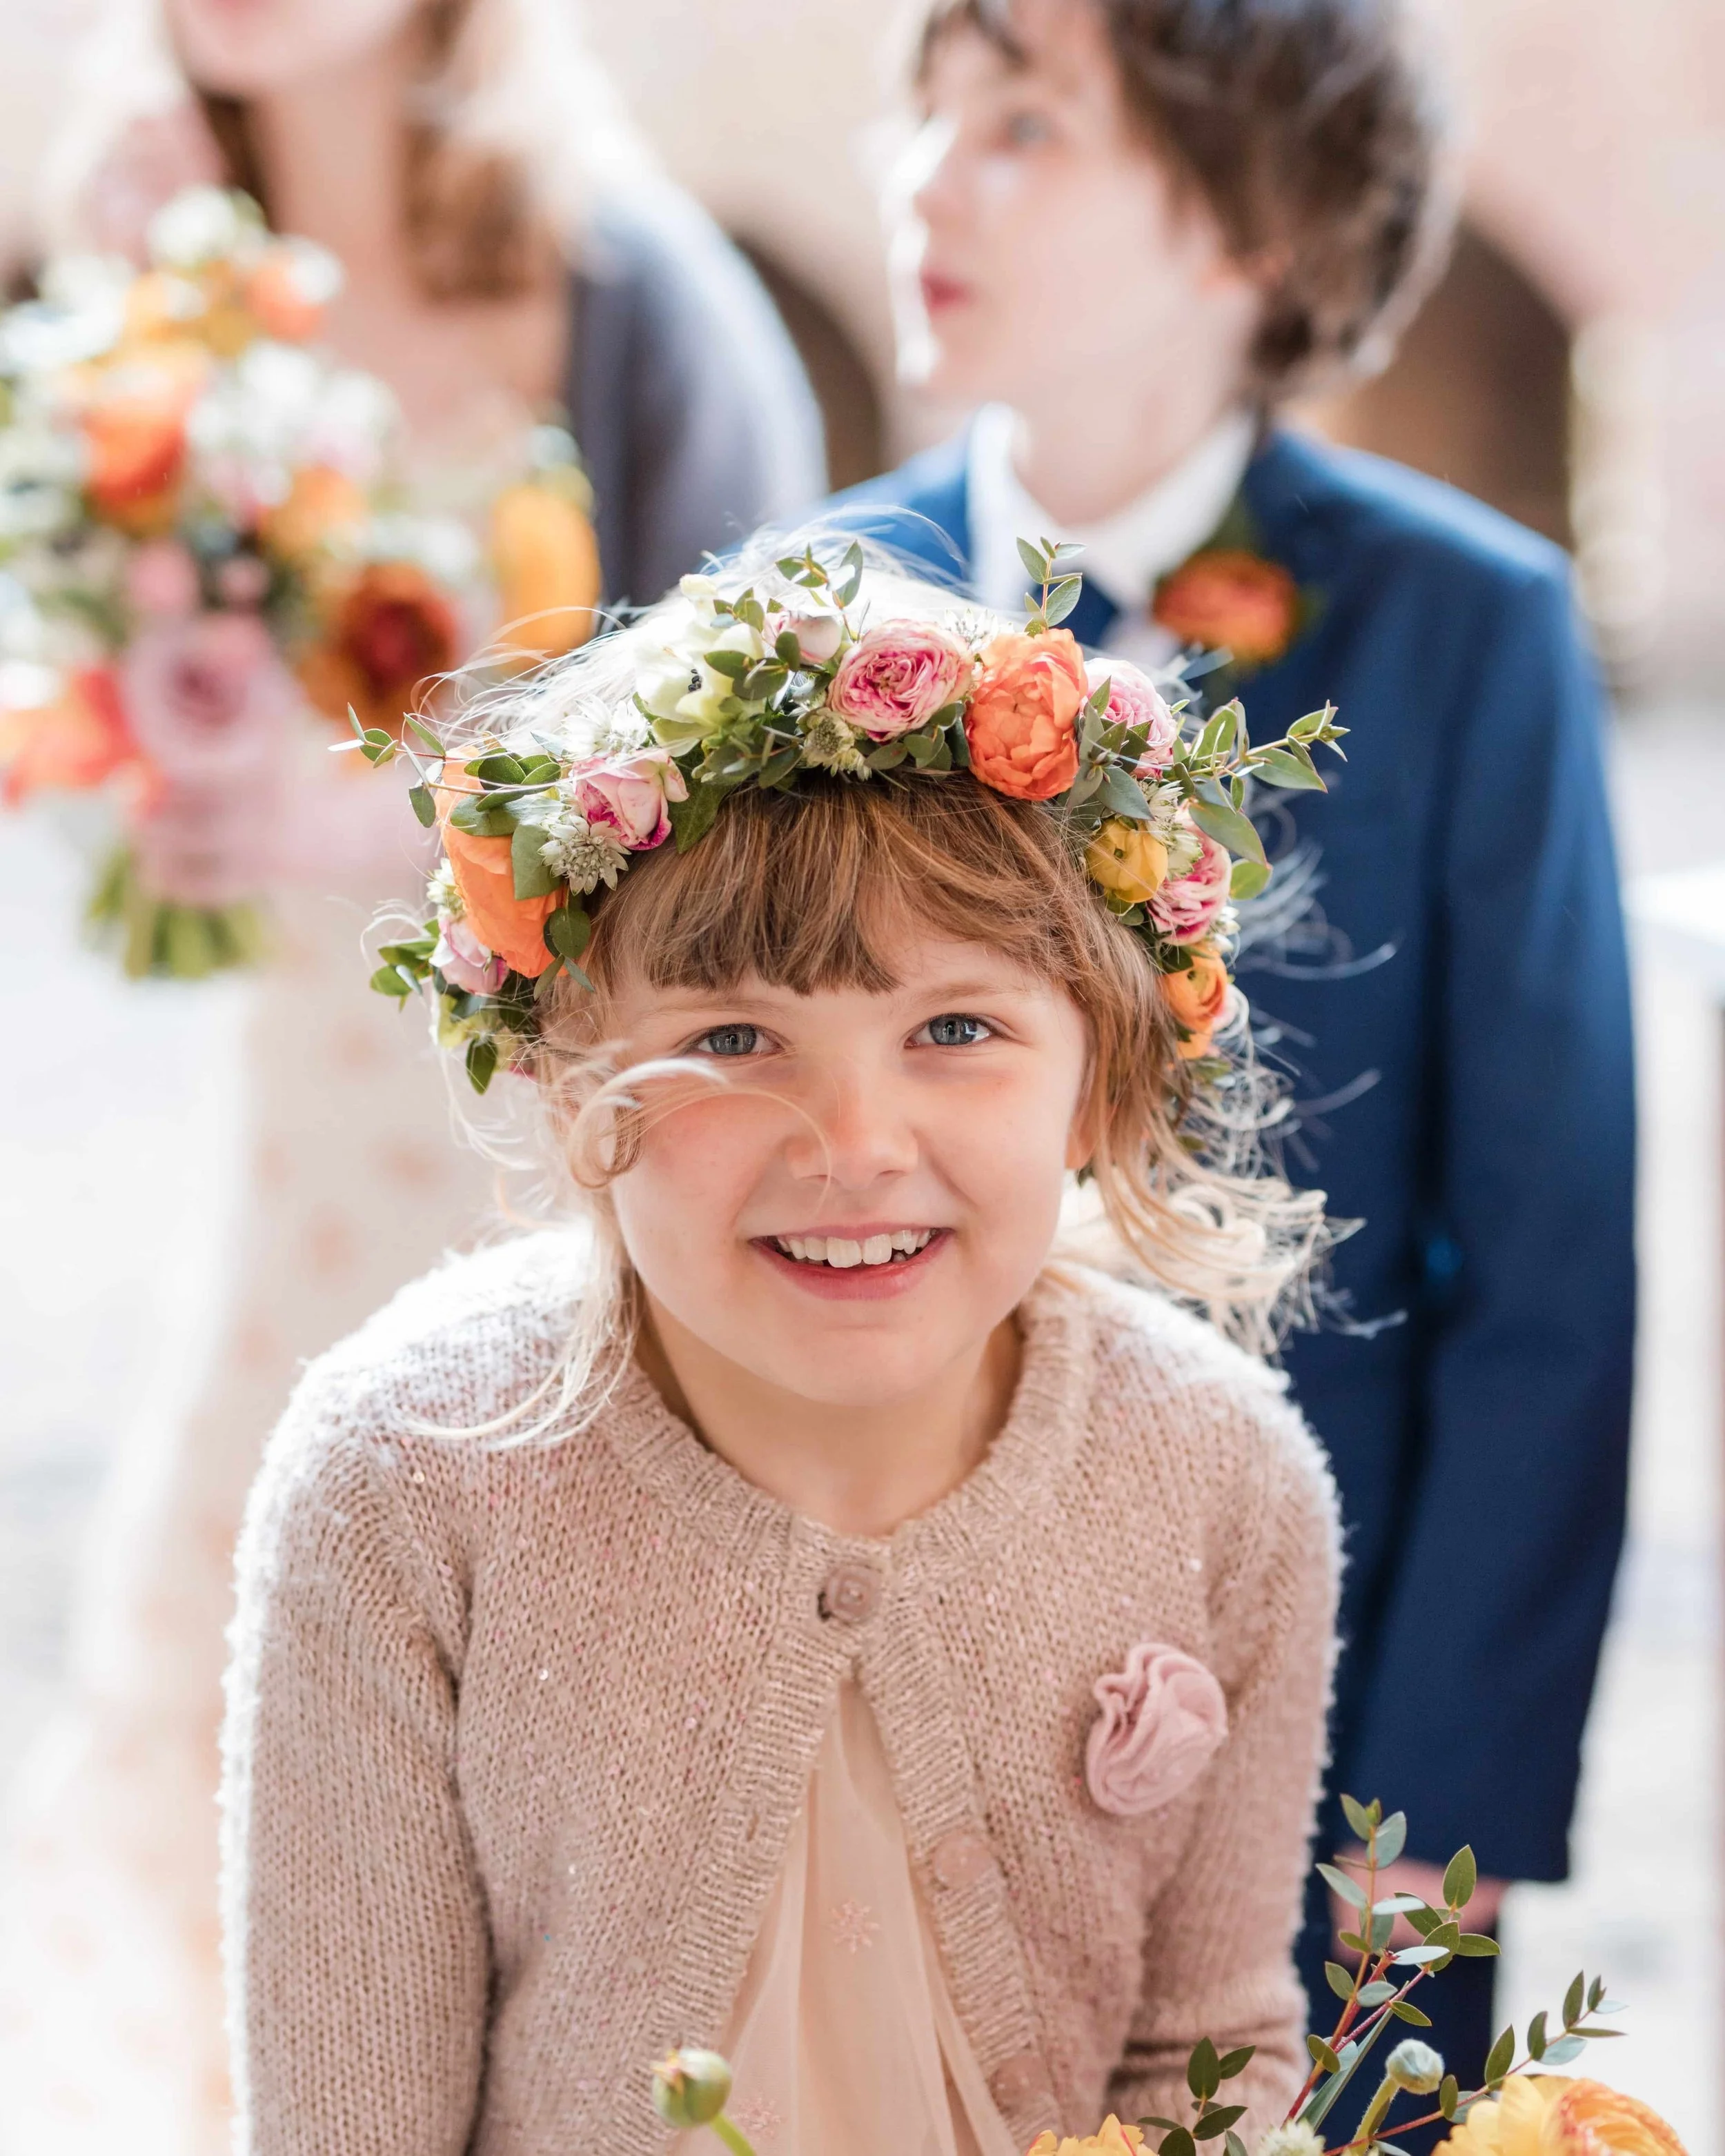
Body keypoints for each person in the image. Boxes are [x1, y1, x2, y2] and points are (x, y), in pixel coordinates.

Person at [219, 547, 1340, 2155]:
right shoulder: (405, 1476)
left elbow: (1204, 2056)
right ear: (569, 1074)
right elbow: (347, 2119)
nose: (854, 1141)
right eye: (731, 1041)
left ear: (1098, 1072)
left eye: (955, 1030)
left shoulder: (1223, 1478)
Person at [0, 3, 824, 2148]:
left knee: (560, 1758)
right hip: (285, 1167)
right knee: (223, 1723)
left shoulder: (624, 290)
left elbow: (773, 767)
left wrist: (360, 815)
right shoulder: (144, 281)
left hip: (556, 1148)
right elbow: (69, 699)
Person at [829, 0, 1635, 2099]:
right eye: (925, 111)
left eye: (1022, 125)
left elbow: (1543, 1284)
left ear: (1248, 235)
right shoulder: (781, 614)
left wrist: (1424, 1854)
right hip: (862, 1725)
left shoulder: (1466, 632)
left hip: (1317, 1725)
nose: (928, 176)